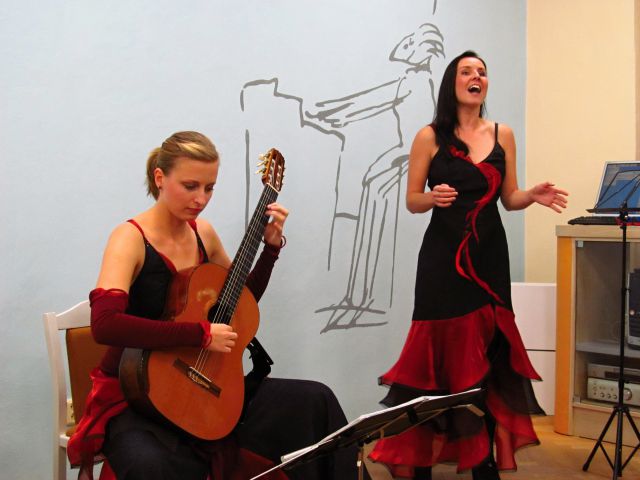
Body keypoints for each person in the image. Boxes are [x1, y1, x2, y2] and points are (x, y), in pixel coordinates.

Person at [67, 131, 362, 480]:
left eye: (209, 188)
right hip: (137, 395)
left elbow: (238, 302)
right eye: (190, 186)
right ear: (160, 178)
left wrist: (270, 249)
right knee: (154, 465)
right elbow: (105, 324)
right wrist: (200, 335)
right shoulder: (129, 238)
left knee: (315, 400)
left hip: (203, 384)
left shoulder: (202, 233)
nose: (201, 199)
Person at [368, 51, 568, 480]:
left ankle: (484, 462)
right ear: (452, 83)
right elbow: (412, 200)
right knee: (435, 361)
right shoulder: (429, 136)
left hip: (489, 259)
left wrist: (531, 196)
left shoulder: (503, 134)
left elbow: (509, 198)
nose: (477, 77)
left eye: (482, 72)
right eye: (467, 71)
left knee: (489, 361)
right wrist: (431, 198)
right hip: (442, 261)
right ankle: (421, 459)